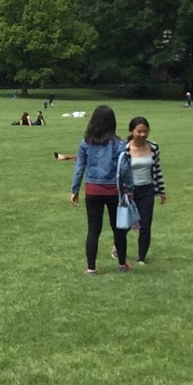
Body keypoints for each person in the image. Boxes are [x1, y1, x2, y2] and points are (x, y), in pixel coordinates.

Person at [70, 104, 130, 274]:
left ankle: (91, 268)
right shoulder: (119, 144)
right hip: (114, 191)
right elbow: (125, 168)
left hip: (93, 190)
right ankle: (122, 264)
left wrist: (74, 190)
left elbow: (79, 168)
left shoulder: (85, 143)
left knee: (93, 230)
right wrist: (130, 188)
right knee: (118, 228)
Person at [119, 116, 167, 267]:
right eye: (139, 131)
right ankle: (117, 247)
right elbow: (120, 172)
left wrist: (161, 190)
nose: (142, 134)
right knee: (125, 224)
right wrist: (124, 191)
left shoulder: (153, 147)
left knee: (145, 225)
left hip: (148, 189)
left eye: (145, 131)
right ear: (131, 131)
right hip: (129, 191)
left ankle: (141, 257)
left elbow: (156, 169)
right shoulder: (124, 148)